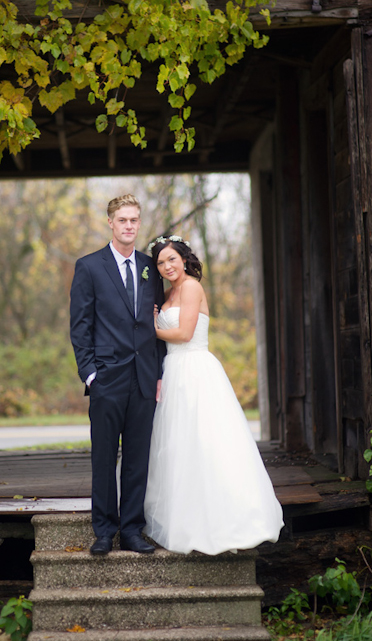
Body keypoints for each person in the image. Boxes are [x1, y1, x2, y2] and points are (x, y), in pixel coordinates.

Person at [144, 235, 284, 555]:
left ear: (184, 259)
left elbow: (183, 333)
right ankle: (184, 517)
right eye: (161, 263)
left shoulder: (192, 287)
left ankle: (222, 520)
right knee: (178, 447)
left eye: (172, 260)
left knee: (206, 442)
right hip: (173, 372)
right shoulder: (167, 293)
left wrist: (149, 327)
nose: (167, 266)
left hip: (195, 370)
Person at [70, 194, 165, 555]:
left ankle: (132, 531)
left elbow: (154, 326)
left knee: (137, 459)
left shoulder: (149, 267)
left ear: (140, 224)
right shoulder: (89, 267)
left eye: (134, 220)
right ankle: (103, 532)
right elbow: (80, 326)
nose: (129, 226)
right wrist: (90, 374)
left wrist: (158, 372)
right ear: (110, 223)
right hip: (107, 378)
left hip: (144, 378)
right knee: (104, 458)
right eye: (122, 220)